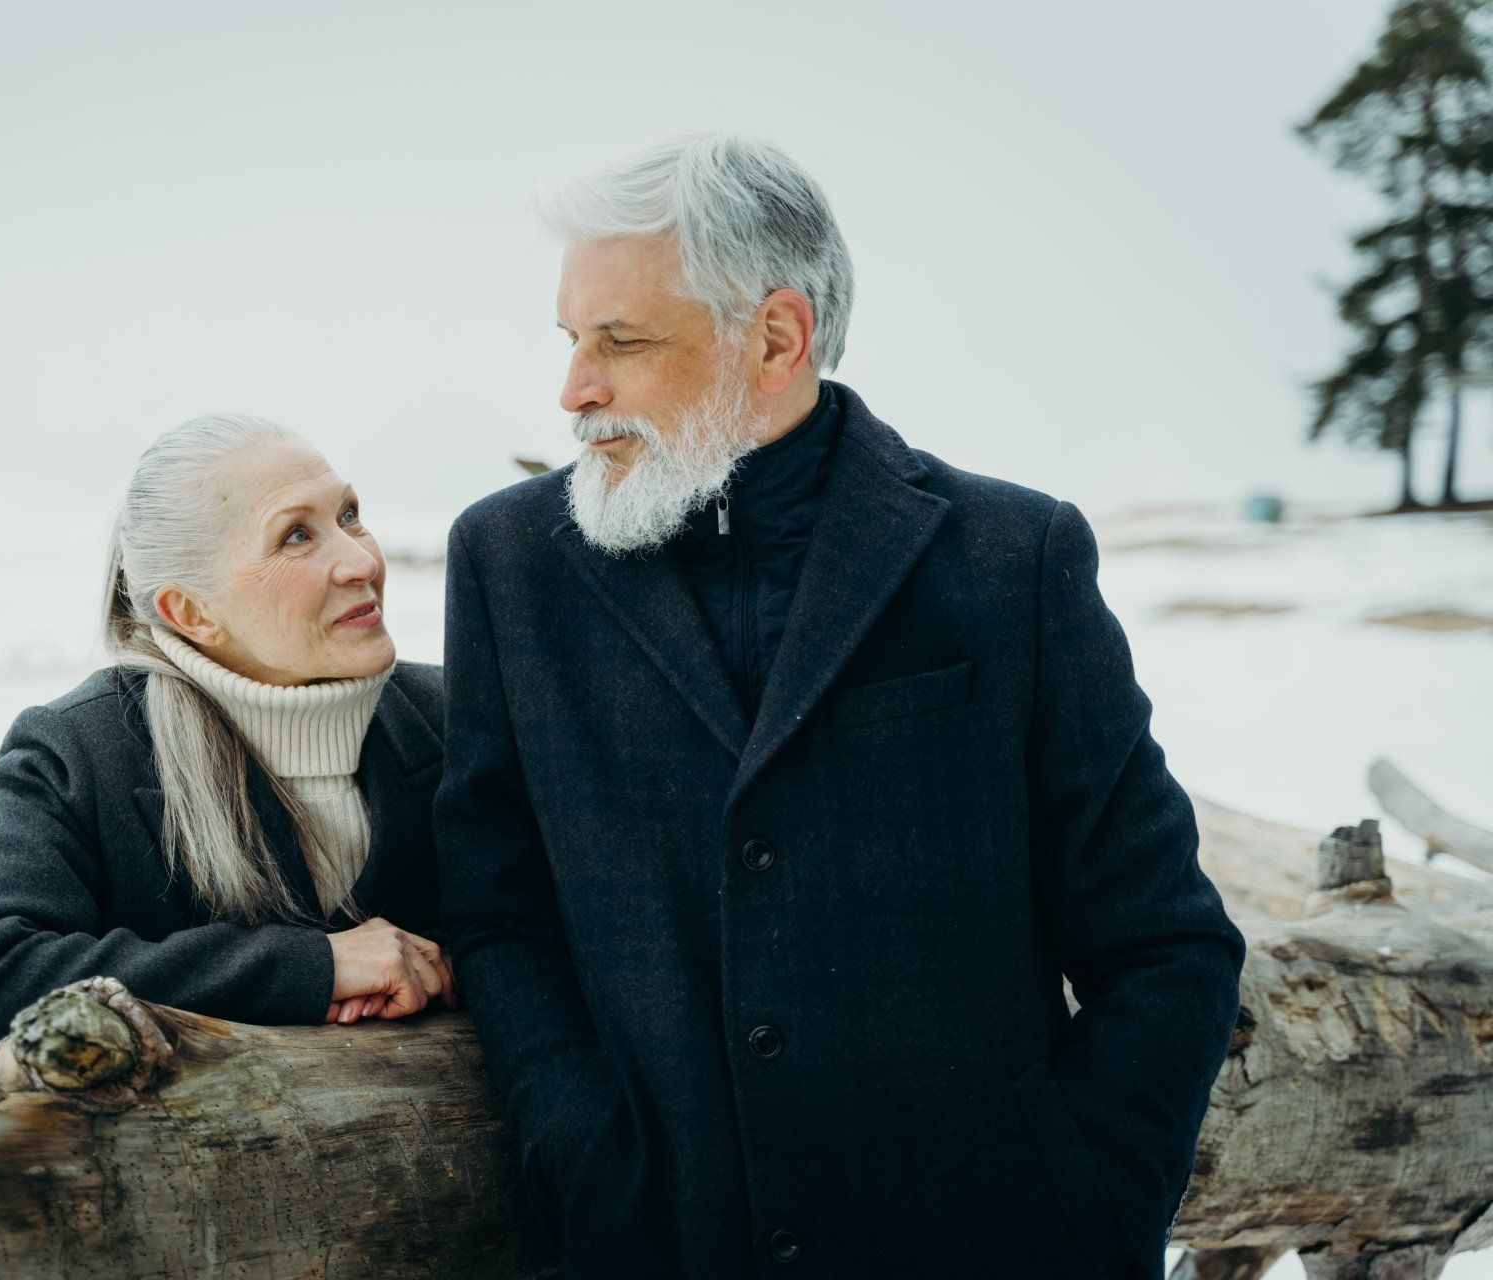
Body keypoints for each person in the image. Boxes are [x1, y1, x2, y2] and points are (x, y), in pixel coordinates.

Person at [434, 132, 1246, 1279]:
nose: (573, 388)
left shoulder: (1011, 556)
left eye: (620, 340)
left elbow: (1165, 942)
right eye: (573, 339)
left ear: (774, 337)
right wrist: (585, 1145)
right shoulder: (510, 563)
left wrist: (1079, 1203)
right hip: (656, 1246)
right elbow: (496, 908)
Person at [0, 414, 453, 1065]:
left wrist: (445, 965)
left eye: (349, 514)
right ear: (191, 613)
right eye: (296, 535)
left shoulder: (457, 714)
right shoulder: (83, 753)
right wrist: (310, 969)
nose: (362, 559)